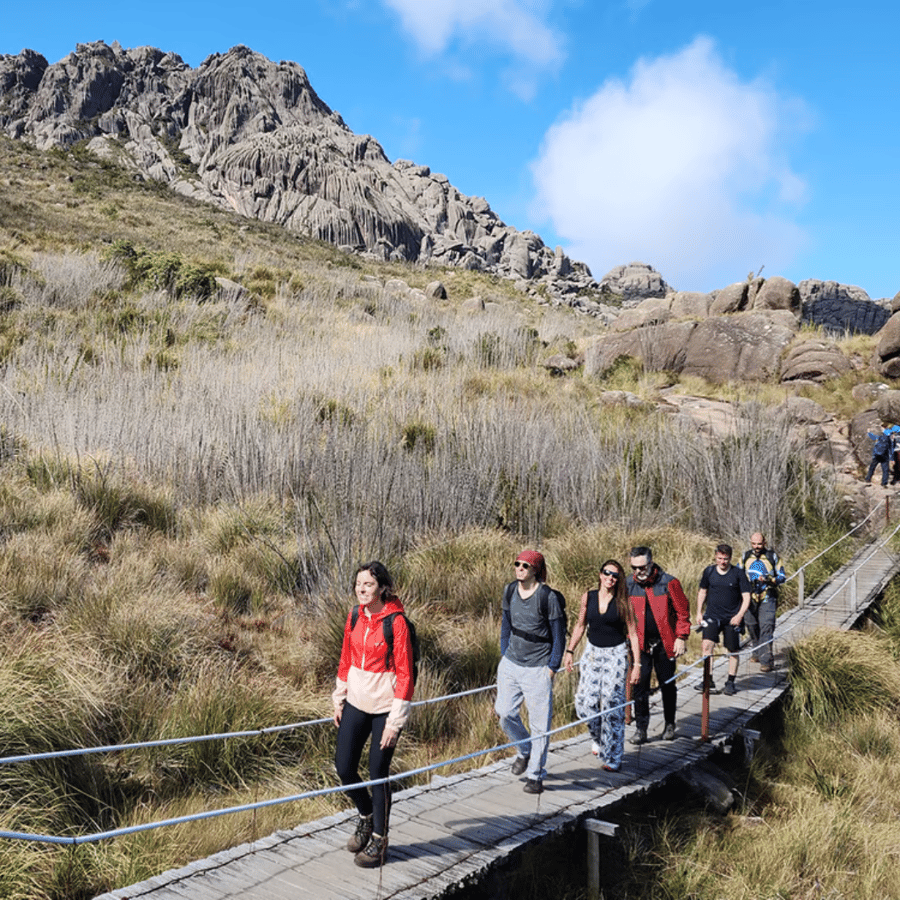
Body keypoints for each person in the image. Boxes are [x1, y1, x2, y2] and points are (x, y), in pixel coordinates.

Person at [333, 561, 414, 868]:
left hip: (384, 708)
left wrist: (395, 722)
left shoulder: (397, 623)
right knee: (344, 768)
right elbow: (345, 657)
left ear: (382, 587)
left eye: (367, 585)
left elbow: (405, 675)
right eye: (358, 584)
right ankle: (366, 816)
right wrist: (339, 698)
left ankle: (380, 840)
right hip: (355, 701)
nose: (361, 590)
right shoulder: (355, 615)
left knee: (377, 772)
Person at [495, 549, 566, 794]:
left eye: (525, 565)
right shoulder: (510, 591)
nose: (519, 568)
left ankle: (535, 774)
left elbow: (558, 634)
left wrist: (552, 667)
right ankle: (524, 750)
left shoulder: (548, 597)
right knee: (504, 713)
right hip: (511, 662)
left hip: (538, 667)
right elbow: (506, 622)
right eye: (517, 564)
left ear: (536, 569)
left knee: (540, 725)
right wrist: (504, 652)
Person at [565, 559, 641, 771]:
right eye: (607, 573)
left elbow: (633, 634)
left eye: (615, 575)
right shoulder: (587, 597)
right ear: (600, 574)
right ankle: (599, 739)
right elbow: (580, 625)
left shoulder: (624, 602)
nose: (610, 577)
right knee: (585, 704)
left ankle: (613, 757)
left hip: (616, 654)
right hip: (592, 652)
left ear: (618, 580)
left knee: (611, 705)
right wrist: (570, 651)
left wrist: (636, 665)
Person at [626, 546, 691, 745]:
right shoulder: (628, 585)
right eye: (634, 568)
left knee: (667, 684)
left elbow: (683, 612)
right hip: (641, 645)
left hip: (665, 643)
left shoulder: (669, 583)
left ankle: (669, 724)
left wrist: (681, 636)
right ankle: (641, 729)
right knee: (639, 686)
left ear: (651, 563)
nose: (638, 572)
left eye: (642, 567)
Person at [695, 544, 751, 696]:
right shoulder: (709, 571)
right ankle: (708, 679)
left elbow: (746, 597)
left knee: (733, 649)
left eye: (725, 559)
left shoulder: (738, 573)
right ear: (715, 557)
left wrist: (739, 615)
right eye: (720, 558)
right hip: (712, 615)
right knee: (707, 646)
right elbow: (702, 592)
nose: (722, 562)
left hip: (732, 618)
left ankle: (730, 682)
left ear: (730, 558)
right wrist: (699, 612)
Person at [741, 532, 786, 673]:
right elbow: (737, 574)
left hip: (768, 596)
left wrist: (769, 579)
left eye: (759, 544)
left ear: (764, 543)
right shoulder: (745, 557)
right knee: (752, 625)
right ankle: (757, 651)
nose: (756, 547)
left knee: (766, 626)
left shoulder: (773, 557)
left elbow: (782, 576)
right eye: (754, 544)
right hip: (750, 597)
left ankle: (766, 661)